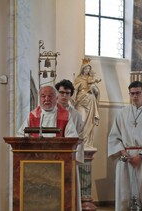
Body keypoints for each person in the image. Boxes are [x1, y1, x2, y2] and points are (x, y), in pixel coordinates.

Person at [108, 81, 142, 211]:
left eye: (138, 93)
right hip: (126, 160)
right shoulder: (122, 113)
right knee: (124, 195)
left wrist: (140, 156)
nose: (135, 96)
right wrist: (123, 153)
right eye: (132, 94)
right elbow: (114, 137)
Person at [55, 79, 84, 211]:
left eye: (67, 93)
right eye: (61, 93)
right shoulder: (49, 112)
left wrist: (74, 157)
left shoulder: (76, 115)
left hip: (69, 158)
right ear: (57, 94)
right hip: (52, 157)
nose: (64, 96)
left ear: (71, 95)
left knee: (70, 189)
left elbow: (80, 137)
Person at [71, 58, 101, 149]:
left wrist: (94, 89)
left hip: (91, 101)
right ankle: (80, 141)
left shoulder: (90, 79)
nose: (87, 70)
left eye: (88, 69)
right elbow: (75, 90)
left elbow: (97, 92)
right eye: (86, 68)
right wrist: (73, 97)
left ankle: (87, 142)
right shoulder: (78, 79)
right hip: (81, 102)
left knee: (90, 122)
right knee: (82, 120)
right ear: (82, 69)